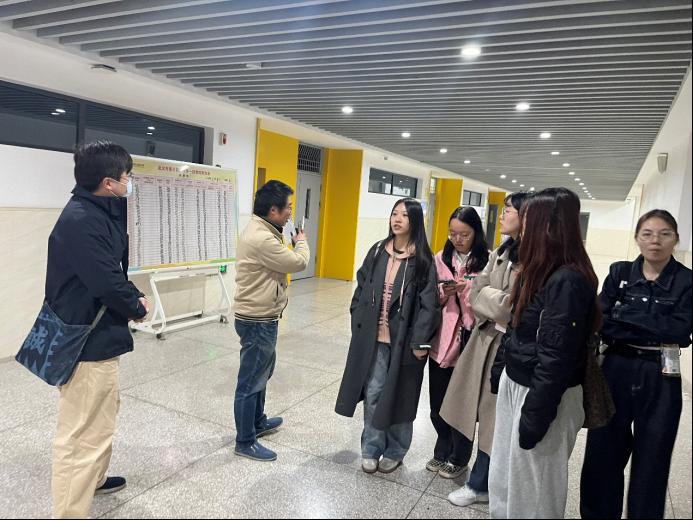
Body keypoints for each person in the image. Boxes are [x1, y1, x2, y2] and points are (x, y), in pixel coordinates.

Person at [49, 141, 150, 519]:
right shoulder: (82, 220)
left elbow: (111, 269)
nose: (130, 183)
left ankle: (94, 479)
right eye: (127, 177)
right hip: (86, 341)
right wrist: (136, 305)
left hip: (100, 335)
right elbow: (106, 281)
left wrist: (133, 296)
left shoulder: (96, 210)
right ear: (109, 183)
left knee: (103, 416)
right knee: (81, 434)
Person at [488, 187, 600, 519]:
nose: (521, 226)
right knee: (506, 480)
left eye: (527, 219)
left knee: (534, 493)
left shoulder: (567, 280)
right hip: (518, 382)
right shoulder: (537, 269)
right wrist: (502, 369)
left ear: (547, 226)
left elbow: (556, 359)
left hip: (543, 396)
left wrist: (535, 417)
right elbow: (515, 326)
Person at [580, 209, 692, 520]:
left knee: (653, 459)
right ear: (637, 238)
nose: (655, 240)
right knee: (603, 454)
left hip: (661, 374)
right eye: (648, 234)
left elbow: (681, 332)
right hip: (615, 367)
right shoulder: (619, 272)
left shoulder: (686, 281)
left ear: (676, 239)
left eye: (664, 234)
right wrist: (651, 324)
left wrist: (625, 315)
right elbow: (601, 320)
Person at [335, 198, 440, 474]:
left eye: (404, 215)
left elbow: (430, 305)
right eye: (395, 213)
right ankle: (371, 448)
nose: (397, 219)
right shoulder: (378, 251)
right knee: (374, 393)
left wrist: (421, 342)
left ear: (415, 221)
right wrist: (357, 315)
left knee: (401, 397)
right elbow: (362, 284)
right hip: (376, 340)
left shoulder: (423, 260)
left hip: (406, 344)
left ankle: (396, 450)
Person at [441, 192, 530, 507]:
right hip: (484, 339)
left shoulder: (532, 256)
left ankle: (482, 483)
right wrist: (496, 299)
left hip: (507, 345)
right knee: (470, 407)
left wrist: (493, 300)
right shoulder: (504, 250)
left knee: (495, 420)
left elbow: (514, 306)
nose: (502, 215)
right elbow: (477, 292)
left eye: (509, 210)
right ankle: (467, 466)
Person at [233, 180, 310, 462]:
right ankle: (245, 441)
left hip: (262, 316)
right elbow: (298, 263)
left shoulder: (265, 230)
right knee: (251, 381)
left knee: (262, 373)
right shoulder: (262, 238)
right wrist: (301, 242)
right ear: (273, 210)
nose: (290, 212)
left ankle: (257, 422)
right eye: (287, 207)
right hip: (257, 320)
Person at [426, 207, 489, 480]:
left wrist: (469, 289)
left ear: (476, 233)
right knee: (438, 403)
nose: (458, 239)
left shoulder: (488, 261)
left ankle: (459, 457)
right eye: (453, 233)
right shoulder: (441, 258)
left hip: (470, 340)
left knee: (463, 403)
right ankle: (442, 448)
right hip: (443, 340)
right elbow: (429, 296)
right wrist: (444, 290)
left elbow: (490, 304)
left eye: (464, 234)